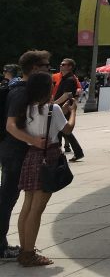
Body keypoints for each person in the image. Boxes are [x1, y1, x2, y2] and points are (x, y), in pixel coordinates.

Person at [13, 71, 77, 267]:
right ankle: (29, 254)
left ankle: (24, 250)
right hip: (47, 156)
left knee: (27, 206)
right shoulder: (53, 108)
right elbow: (67, 130)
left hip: (31, 155)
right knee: (37, 210)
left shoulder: (27, 108)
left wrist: (61, 110)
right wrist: (72, 112)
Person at [0, 49, 50, 261]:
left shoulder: (22, 89)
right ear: (36, 68)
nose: (50, 69)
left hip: (15, 151)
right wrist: (34, 141)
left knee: (9, 198)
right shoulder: (20, 92)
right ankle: (1, 247)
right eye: (47, 66)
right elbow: (11, 125)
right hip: (14, 152)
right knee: (7, 199)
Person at [51, 59, 84, 161]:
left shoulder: (70, 79)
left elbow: (67, 95)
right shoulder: (65, 78)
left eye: (63, 64)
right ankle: (74, 152)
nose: (61, 65)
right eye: (61, 63)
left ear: (69, 67)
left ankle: (74, 152)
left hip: (64, 107)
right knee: (62, 131)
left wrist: (53, 104)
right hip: (61, 107)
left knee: (63, 130)